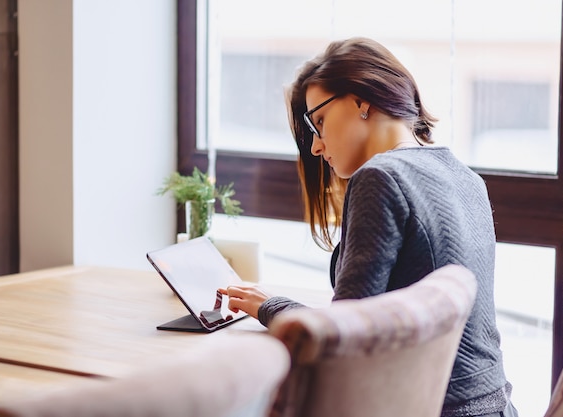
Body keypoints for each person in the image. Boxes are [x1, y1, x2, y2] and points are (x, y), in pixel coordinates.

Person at [219, 37, 518, 417]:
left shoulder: (381, 177)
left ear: (361, 100)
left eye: (319, 121)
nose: (315, 146)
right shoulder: (464, 176)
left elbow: (345, 342)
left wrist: (271, 307)